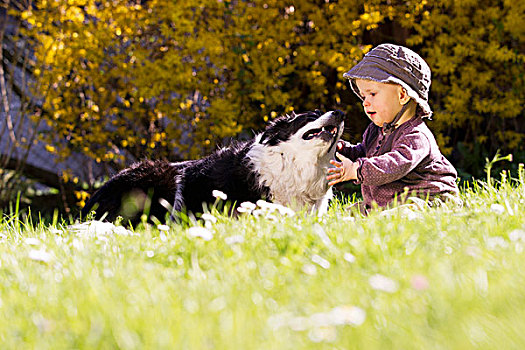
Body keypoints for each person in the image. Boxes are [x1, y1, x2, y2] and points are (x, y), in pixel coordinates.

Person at [326, 43, 460, 213]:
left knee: (403, 214)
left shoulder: (417, 136)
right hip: (388, 202)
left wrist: (356, 170)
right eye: (363, 96)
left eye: (372, 94)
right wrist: (342, 149)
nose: (365, 102)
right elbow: (365, 152)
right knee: (346, 215)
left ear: (402, 95)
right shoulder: (376, 130)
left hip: (428, 198)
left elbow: (392, 165)